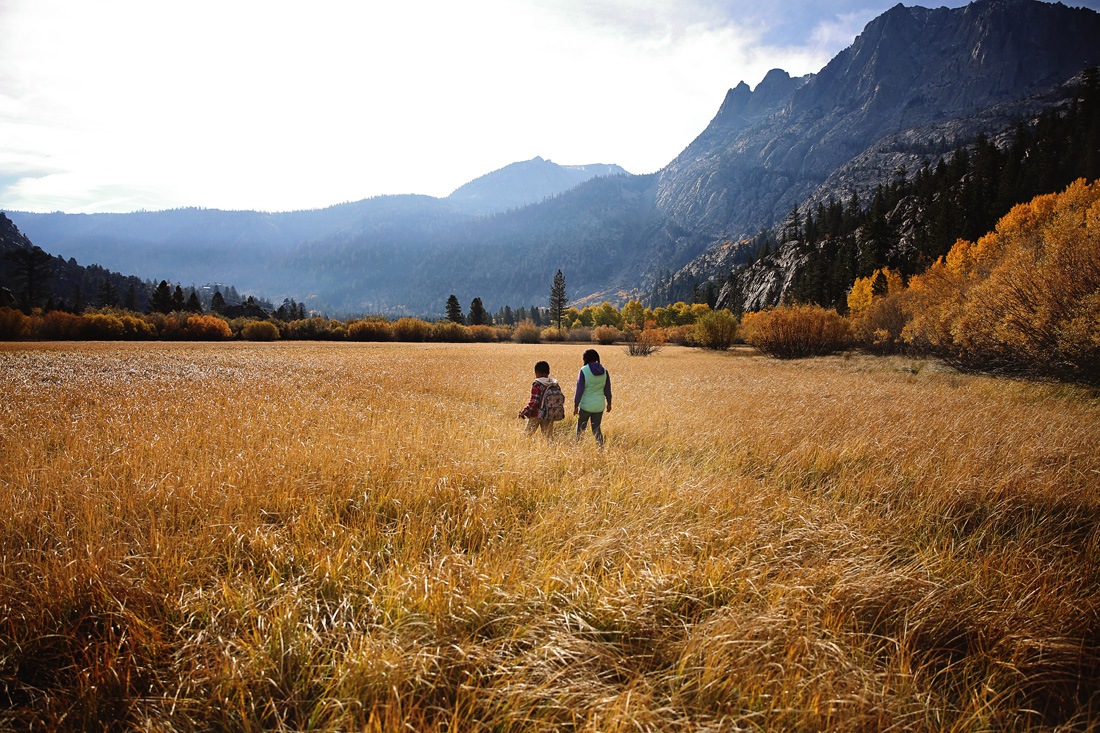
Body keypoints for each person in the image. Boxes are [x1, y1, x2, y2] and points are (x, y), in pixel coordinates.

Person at [574, 348, 612, 446]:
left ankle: (578, 448)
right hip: (599, 405)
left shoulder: (584, 370)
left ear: (585, 359)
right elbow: (607, 389)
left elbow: (579, 390)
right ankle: (601, 449)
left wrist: (575, 405)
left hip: (586, 405)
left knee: (580, 429)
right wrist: (609, 403)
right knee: (596, 429)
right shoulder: (604, 371)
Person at [518, 360, 562, 438]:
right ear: (548, 372)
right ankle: (551, 450)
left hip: (536, 414)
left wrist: (524, 412)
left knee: (526, 436)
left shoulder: (537, 384)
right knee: (548, 438)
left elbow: (534, 402)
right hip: (549, 414)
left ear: (537, 372)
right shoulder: (554, 384)